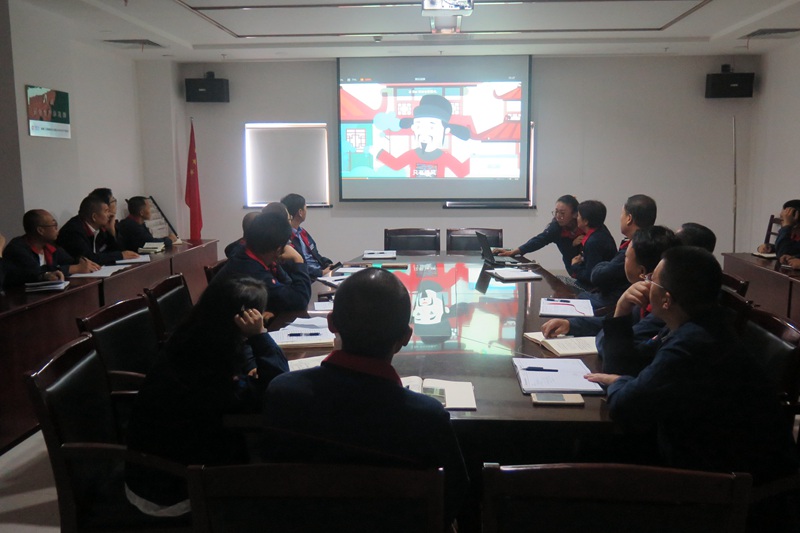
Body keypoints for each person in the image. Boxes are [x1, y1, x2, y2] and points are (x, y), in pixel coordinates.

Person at [262, 268, 469, 526]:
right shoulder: (427, 418)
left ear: (331, 323)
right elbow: (454, 495)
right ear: (406, 337)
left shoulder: (283, 394)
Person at [585, 247, 799, 493]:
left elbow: (627, 407)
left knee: (589, 459)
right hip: (708, 455)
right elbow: (632, 363)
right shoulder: (698, 322)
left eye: (652, 279)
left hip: (726, 485)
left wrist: (620, 382)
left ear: (666, 299)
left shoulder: (694, 343)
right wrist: (622, 309)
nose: (646, 283)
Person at [125, 276, 288, 516]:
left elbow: (242, 371)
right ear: (240, 319)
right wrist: (260, 336)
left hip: (165, 465)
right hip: (175, 487)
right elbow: (276, 390)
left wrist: (250, 364)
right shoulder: (204, 364)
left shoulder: (195, 336)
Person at [541, 226, 680, 360]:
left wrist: (621, 309)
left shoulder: (659, 313)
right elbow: (605, 323)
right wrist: (570, 325)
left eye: (625, 257)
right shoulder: (644, 300)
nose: (622, 262)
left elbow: (607, 344)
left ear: (642, 272)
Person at [216, 212, 311, 313]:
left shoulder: (249, 254)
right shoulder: (251, 268)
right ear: (278, 250)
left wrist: (274, 309)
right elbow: (300, 300)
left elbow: (287, 286)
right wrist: (298, 260)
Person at [582, 194, 657, 308]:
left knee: (577, 297)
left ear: (629, 218)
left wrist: (603, 265)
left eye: (622, 214)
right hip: (618, 298)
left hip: (617, 302)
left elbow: (599, 277)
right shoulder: (651, 242)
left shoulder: (634, 248)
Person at [371, 94, 472, 178]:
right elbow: (396, 164)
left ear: (446, 130)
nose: (424, 133)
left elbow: (461, 171)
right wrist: (377, 151)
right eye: (418, 126)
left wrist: (476, 156)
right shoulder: (412, 154)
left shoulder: (444, 157)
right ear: (413, 127)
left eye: (431, 127)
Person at [3, 209, 99, 288]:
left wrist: (81, 261)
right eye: (54, 225)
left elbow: (69, 261)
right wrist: (73, 269)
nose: (57, 229)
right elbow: (36, 272)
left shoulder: (50, 246)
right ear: (40, 230)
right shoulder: (17, 248)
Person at [495, 194, 584, 270]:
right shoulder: (556, 228)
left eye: (562, 213)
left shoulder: (585, 224)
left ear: (575, 214)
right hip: (573, 267)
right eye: (556, 212)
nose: (558, 216)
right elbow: (539, 240)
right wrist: (513, 252)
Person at [57, 195, 139, 265]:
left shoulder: (99, 227)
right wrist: (120, 255)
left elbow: (115, 250)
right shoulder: (73, 231)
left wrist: (112, 231)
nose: (110, 215)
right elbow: (88, 259)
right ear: (94, 217)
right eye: (106, 211)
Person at [281, 193, 334, 279]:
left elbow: (315, 255)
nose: (306, 210)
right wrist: (321, 273)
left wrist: (327, 264)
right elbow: (295, 266)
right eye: (305, 207)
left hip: (319, 273)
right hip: (309, 278)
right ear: (300, 212)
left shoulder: (302, 232)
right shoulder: (286, 238)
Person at [568, 200, 617, 290]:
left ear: (586, 221)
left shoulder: (593, 242)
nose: (576, 217)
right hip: (602, 285)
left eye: (578, 215)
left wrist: (575, 266)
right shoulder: (601, 229)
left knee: (559, 282)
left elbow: (590, 276)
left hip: (595, 289)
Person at [758, 200, 800, 266]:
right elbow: (792, 249)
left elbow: (783, 253)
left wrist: (787, 226)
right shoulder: (794, 235)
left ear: (796, 218)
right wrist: (770, 247)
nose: (782, 223)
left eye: (784, 219)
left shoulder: (788, 230)